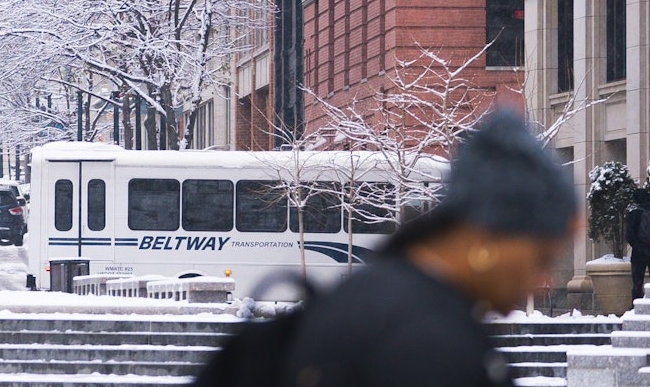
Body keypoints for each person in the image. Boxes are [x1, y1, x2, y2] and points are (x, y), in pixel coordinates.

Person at [277, 110, 578, 387]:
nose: (544, 283)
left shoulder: (381, 300)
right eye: (542, 258)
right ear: (487, 235)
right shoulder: (430, 345)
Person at [628, 188, 650, 300]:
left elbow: (629, 236)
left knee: (637, 283)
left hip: (638, 253)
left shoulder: (634, 213)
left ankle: (635, 307)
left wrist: (637, 245)